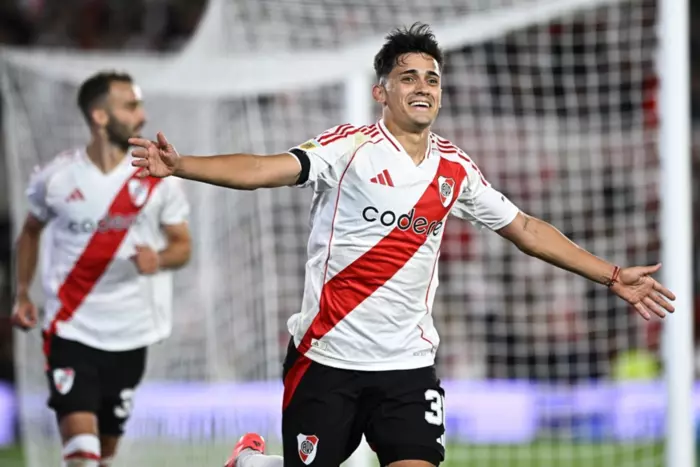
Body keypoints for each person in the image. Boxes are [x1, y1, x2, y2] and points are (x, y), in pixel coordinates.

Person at [129, 23, 675, 467]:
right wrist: (183, 165)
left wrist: (611, 275)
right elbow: (263, 169)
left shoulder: (455, 169)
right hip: (327, 358)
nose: (422, 87)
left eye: (432, 79)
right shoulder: (349, 149)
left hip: (407, 366)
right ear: (381, 91)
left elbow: (526, 228)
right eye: (408, 77)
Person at [10, 71, 192, 467]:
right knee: (81, 456)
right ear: (100, 116)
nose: (142, 116)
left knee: (104, 457)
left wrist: (159, 259)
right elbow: (29, 232)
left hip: (131, 333)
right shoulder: (55, 178)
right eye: (131, 106)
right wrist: (21, 292)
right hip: (70, 330)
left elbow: (183, 246)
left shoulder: (159, 178)